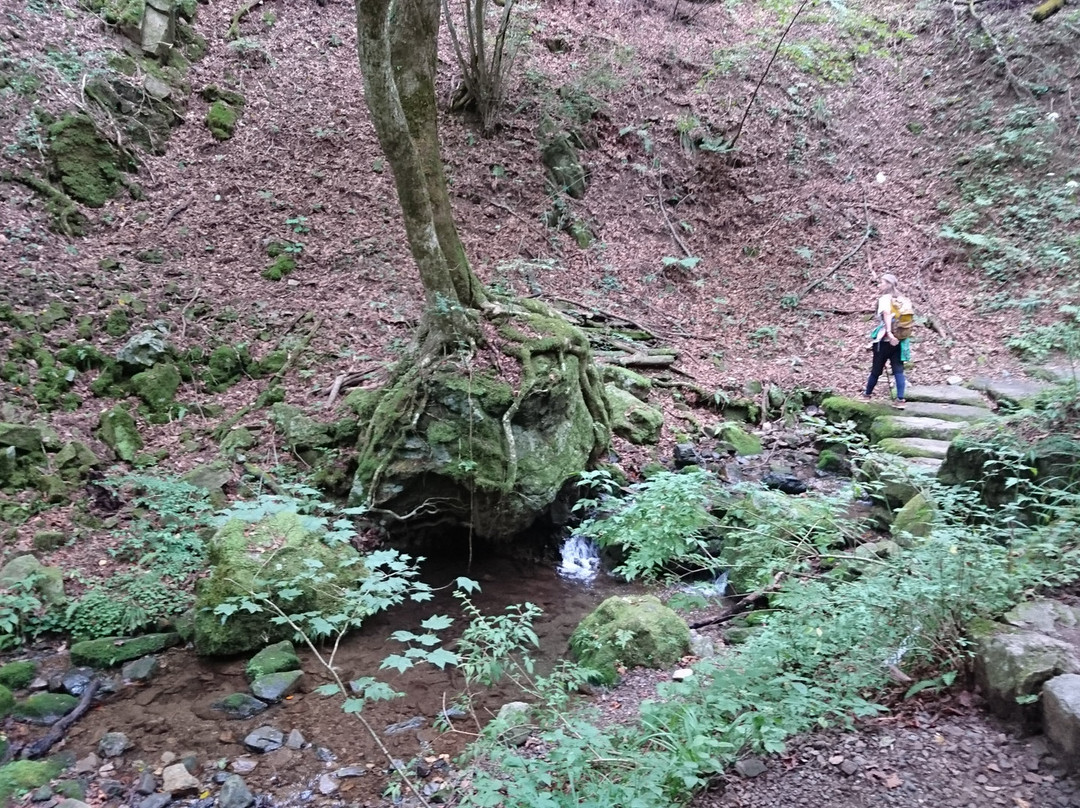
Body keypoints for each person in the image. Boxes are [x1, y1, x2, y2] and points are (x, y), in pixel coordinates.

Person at [863, 273, 909, 408]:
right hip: (901, 339)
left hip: (884, 340)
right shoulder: (902, 299)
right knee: (898, 371)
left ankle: (867, 395)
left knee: (876, 370)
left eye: (881, 282)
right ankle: (900, 400)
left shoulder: (885, 299)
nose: (879, 285)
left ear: (888, 284)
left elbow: (886, 314)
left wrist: (889, 333)